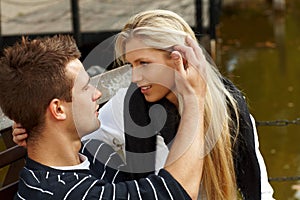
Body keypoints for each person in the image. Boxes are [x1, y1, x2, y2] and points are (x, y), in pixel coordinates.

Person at [12, 10, 274, 199]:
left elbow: (260, 192)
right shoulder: (126, 107)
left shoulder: (230, 112)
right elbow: (76, 138)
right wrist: (36, 127)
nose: (135, 78)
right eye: (131, 65)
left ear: (179, 60)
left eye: (144, 64)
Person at [1, 35, 208, 199]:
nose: (97, 94)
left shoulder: (88, 156)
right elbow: (175, 192)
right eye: (85, 87)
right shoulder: (66, 193)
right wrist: (194, 97)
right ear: (58, 110)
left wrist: (34, 124)